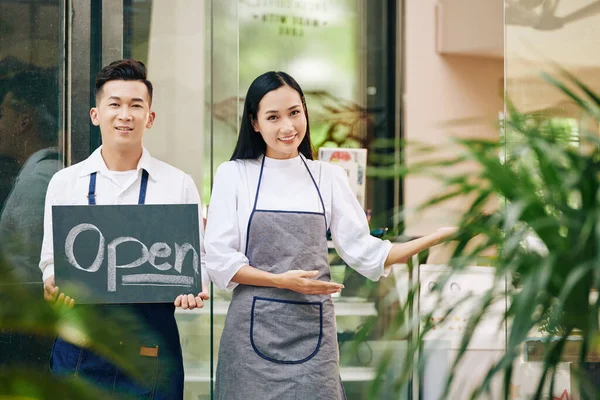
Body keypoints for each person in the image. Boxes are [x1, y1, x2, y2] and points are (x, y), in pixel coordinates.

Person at [204, 71, 456, 400]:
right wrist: (282, 281)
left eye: (295, 113)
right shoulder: (234, 175)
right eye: (273, 117)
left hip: (314, 334)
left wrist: (435, 237)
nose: (287, 127)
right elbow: (220, 260)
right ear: (254, 123)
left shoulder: (328, 177)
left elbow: (367, 253)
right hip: (249, 338)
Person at [39, 59, 208, 399]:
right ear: (96, 114)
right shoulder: (65, 183)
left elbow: (199, 261)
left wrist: (197, 286)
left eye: (136, 105)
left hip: (152, 348)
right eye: (114, 104)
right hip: (80, 345)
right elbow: (50, 261)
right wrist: (53, 282)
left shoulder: (178, 184)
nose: (125, 114)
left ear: (151, 117)